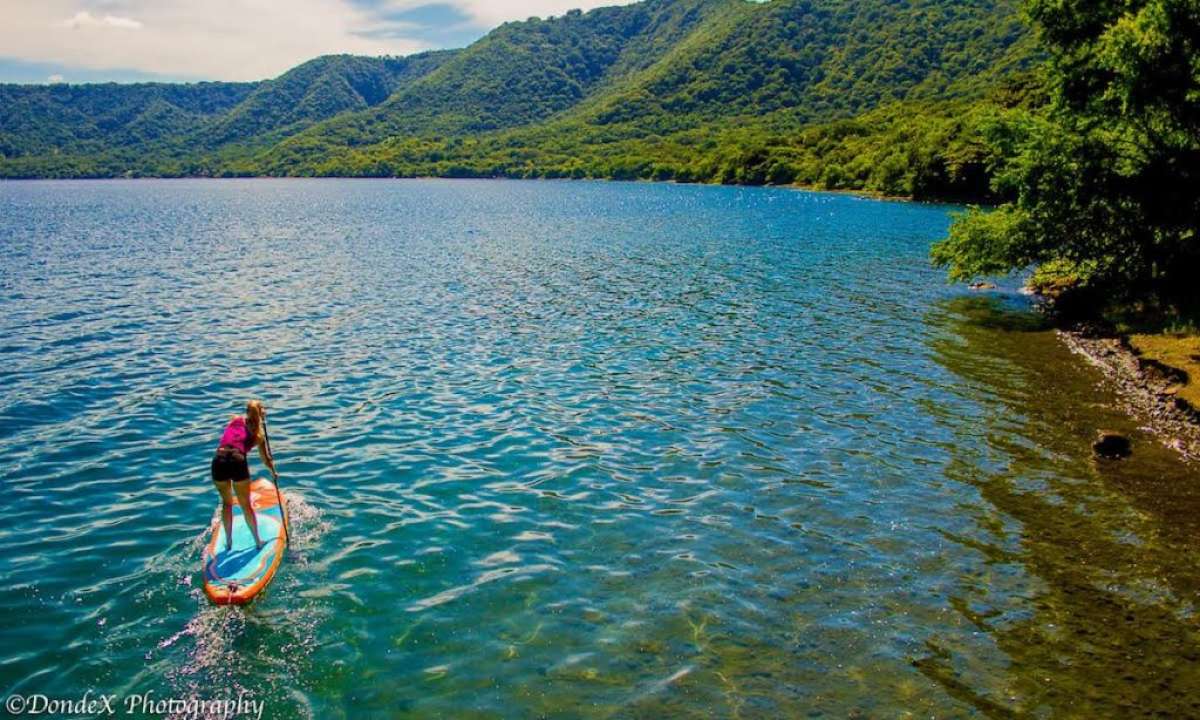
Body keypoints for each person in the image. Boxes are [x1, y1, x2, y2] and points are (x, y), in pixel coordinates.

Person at [211, 400, 278, 551]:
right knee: (245, 505)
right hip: (237, 460)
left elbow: (235, 424)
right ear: (261, 414)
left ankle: (228, 542)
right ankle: (258, 541)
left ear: (246, 412)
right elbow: (265, 458)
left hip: (219, 459)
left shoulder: (235, 420)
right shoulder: (258, 436)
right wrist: (273, 472)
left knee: (227, 503)